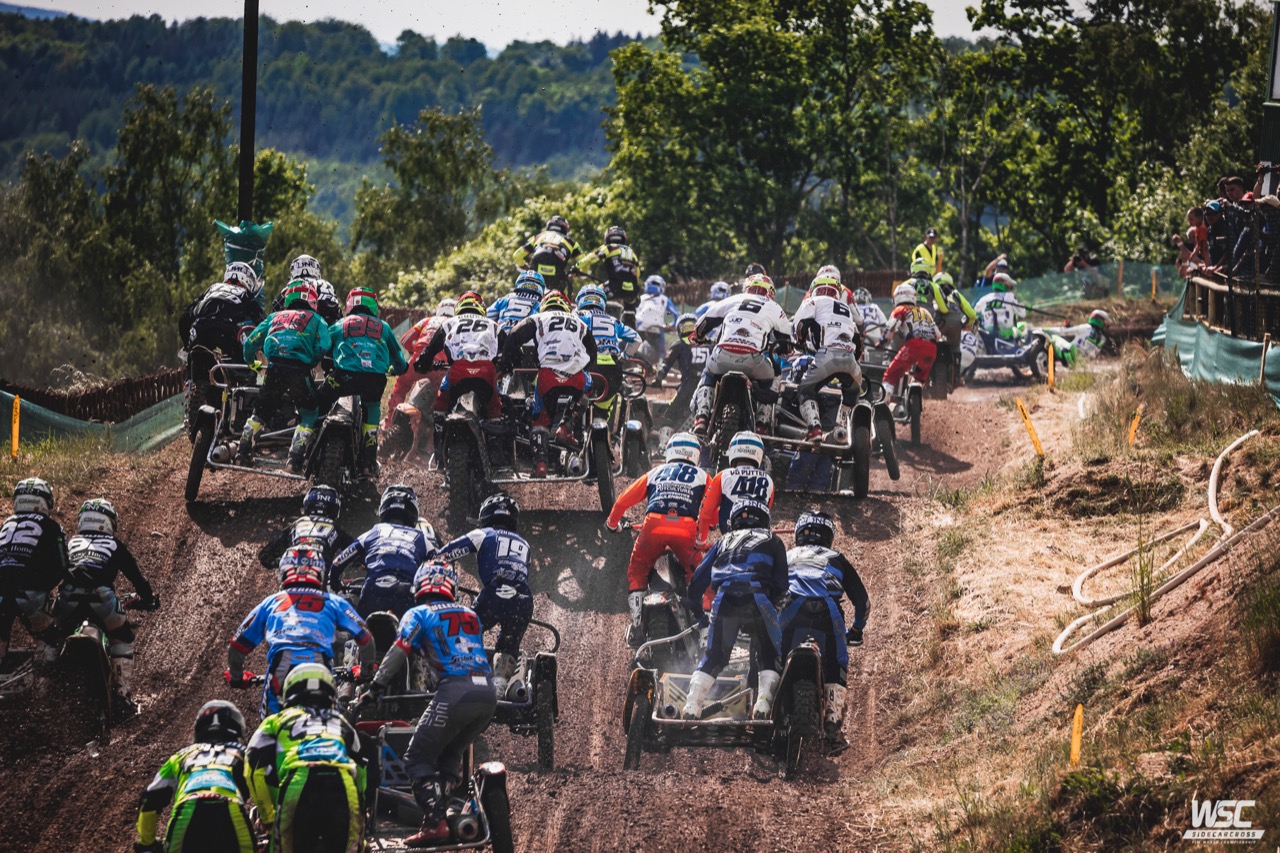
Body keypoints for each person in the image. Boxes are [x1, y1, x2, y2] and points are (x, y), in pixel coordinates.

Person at [357, 569, 495, 847]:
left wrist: (375, 687)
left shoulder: (418, 613)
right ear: (452, 589)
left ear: (419, 587)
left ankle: (434, 822)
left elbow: (399, 650)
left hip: (454, 691)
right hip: (486, 694)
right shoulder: (470, 614)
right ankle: (445, 811)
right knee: (449, 757)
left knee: (416, 758)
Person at [227, 545, 374, 715]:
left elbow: (237, 644)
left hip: (282, 664)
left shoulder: (271, 602)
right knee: (330, 722)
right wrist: (365, 672)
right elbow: (366, 637)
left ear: (284, 571)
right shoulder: (333, 601)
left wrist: (237, 677)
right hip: (319, 665)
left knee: (269, 723)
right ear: (319, 572)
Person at [246, 664, 369, 853]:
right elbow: (361, 770)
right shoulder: (340, 721)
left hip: (298, 782)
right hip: (343, 784)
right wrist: (361, 812)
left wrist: (268, 817)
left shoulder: (275, 720)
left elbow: (253, 769)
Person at [682, 500, 788, 720]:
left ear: (734, 520)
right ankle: (762, 706)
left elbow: (696, 584)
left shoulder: (723, 540)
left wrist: (700, 616)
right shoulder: (773, 539)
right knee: (768, 655)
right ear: (765, 520)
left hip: (725, 598)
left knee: (714, 656)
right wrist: (772, 608)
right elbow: (782, 584)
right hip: (758, 596)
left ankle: (691, 707)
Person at [51, 498, 159, 710]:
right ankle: (121, 695)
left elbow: (56, 570)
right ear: (109, 522)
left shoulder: (71, 543)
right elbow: (136, 577)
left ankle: (49, 689)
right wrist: (147, 597)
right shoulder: (114, 544)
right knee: (123, 638)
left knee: (54, 637)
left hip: (68, 598)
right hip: (102, 598)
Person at [605, 432, 708, 647]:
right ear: (695, 454)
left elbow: (623, 500)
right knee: (699, 574)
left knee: (637, 571)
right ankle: (705, 629)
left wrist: (613, 523)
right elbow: (713, 506)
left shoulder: (656, 472)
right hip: (686, 528)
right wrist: (708, 527)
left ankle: (636, 624)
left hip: (653, 524)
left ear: (670, 451)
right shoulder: (702, 476)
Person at [427, 493, 532, 697]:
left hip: (493, 594)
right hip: (523, 599)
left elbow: (445, 555)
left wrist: (430, 562)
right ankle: (500, 684)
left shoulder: (483, 533)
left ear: (487, 514)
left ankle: (467, 677)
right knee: (509, 642)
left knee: (464, 631)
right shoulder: (525, 544)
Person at [781, 510, 869, 747]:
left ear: (798, 533)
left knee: (771, 656)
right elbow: (863, 602)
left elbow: (770, 589)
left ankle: (764, 707)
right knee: (836, 662)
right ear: (829, 535)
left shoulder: (788, 555)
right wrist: (857, 629)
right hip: (828, 612)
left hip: (792, 609)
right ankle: (832, 728)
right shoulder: (836, 557)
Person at [134, 701, 258, 853]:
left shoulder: (181, 755)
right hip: (231, 809)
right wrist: (269, 822)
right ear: (237, 729)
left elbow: (150, 799)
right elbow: (266, 783)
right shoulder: (244, 754)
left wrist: (147, 843)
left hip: (187, 811)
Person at [499, 290, 598, 477]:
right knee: (588, 385)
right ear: (567, 307)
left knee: (540, 419)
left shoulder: (538, 318)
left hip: (547, 377)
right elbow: (593, 351)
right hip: (577, 377)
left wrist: (508, 363)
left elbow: (513, 335)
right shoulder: (580, 322)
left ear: (544, 305)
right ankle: (567, 426)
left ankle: (540, 465)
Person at [239, 280, 332, 471]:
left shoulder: (274, 317)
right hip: (299, 369)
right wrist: (312, 360)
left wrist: (252, 363)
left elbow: (250, 343)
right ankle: (295, 457)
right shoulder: (317, 319)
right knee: (309, 411)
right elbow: (325, 344)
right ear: (313, 301)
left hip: (274, 368)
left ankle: (243, 449)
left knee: (261, 412)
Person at [690, 273, 793, 439]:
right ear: (770, 292)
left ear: (746, 288)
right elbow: (787, 343)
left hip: (723, 356)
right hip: (753, 361)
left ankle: (701, 417)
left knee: (708, 373)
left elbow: (703, 323)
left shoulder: (732, 299)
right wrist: (782, 350)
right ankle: (762, 424)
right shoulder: (774, 307)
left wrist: (699, 337)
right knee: (773, 376)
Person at [320, 288, 410, 474]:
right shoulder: (384, 327)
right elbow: (400, 361)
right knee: (372, 406)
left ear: (350, 304)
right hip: (374, 380)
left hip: (344, 377)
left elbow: (322, 345)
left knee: (318, 400)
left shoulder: (341, 324)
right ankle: (368, 462)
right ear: (373, 306)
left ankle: (304, 445)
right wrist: (396, 369)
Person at [413, 291, 504, 461]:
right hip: (486, 372)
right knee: (494, 405)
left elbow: (429, 351)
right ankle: (496, 449)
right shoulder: (493, 325)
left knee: (441, 403)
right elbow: (510, 351)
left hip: (457, 372)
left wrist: (422, 365)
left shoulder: (449, 323)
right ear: (482, 308)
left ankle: (439, 452)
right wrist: (506, 365)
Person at [329, 484, 438, 617]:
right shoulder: (421, 537)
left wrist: (335, 585)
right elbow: (440, 565)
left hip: (373, 590)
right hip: (406, 593)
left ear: (384, 508)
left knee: (358, 628)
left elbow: (337, 563)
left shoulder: (374, 532)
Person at [177, 263, 265, 425]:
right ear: (247, 280)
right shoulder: (243, 293)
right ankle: (243, 409)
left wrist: (187, 345)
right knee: (247, 366)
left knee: (194, 365)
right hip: (225, 329)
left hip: (198, 329)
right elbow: (262, 321)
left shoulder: (212, 289)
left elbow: (184, 319)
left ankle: (190, 390)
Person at [0, 478, 68, 668]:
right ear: (45, 501)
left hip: (1, 592)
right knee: (52, 639)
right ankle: (48, 674)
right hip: (30, 595)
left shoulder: (5, 525)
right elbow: (63, 565)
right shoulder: (51, 526)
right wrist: (47, 588)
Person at [792, 275, 863, 443]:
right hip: (851, 361)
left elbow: (800, 324)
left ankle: (814, 428)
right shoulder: (845, 308)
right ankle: (841, 428)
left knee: (805, 390)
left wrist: (799, 341)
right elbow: (858, 342)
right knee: (851, 395)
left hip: (826, 355)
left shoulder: (813, 301)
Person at [383, 298, 457, 430]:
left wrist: (413, 352)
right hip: (441, 367)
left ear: (439, 309)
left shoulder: (426, 321)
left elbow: (405, 340)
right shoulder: (456, 324)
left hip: (417, 361)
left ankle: (389, 423)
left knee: (400, 387)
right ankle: (440, 427)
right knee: (445, 397)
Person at [695, 431, 774, 548]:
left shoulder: (723, 476)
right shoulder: (769, 480)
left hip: (730, 537)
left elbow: (705, 512)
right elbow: (767, 511)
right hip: (758, 540)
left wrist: (700, 542)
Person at [576, 284, 640, 419]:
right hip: (612, 371)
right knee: (602, 413)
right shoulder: (613, 320)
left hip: (586, 368)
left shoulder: (577, 316)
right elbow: (636, 339)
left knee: (573, 405)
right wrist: (624, 357)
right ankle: (601, 424)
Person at [257, 485, 355, 573]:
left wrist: (281, 563)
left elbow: (265, 556)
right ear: (335, 509)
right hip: (321, 573)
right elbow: (356, 550)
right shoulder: (336, 528)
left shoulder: (296, 524)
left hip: (293, 572)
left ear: (308, 505)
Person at [881, 283, 939, 406]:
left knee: (890, 375)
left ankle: (883, 404)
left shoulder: (900, 309)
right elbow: (938, 335)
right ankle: (912, 397)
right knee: (918, 378)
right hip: (932, 348)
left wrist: (881, 342)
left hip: (914, 345)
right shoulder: (925, 311)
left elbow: (890, 329)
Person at [655, 314, 709, 430]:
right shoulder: (709, 343)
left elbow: (665, 365)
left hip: (688, 385)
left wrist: (659, 378)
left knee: (669, 416)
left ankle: (664, 440)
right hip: (707, 384)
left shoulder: (680, 344)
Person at [576, 225, 642, 312]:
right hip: (633, 291)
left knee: (593, 294)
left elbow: (592, 257)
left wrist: (576, 266)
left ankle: (585, 315)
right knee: (632, 307)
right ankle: (630, 315)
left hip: (614, 287)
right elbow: (638, 274)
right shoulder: (632, 253)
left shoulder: (609, 247)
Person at [513, 215, 584, 292]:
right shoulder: (571, 242)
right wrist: (580, 272)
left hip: (536, 269)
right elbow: (584, 261)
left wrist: (525, 267)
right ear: (565, 229)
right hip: (557, 274)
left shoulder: (537, 237)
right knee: (566, 293)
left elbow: (517, 256)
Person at [268, 254, 342, 324]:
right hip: (325, 327)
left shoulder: (290, 286)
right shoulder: (326, 284)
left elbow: (275, 310)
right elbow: (338, 312)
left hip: (294, 326)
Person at [972, 272, 1026, 343]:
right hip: (1005, 333)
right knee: (1023, 327)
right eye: (1010, 286)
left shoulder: (984, 298)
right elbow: (1023, 314)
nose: (1010, 288)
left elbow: (976, 311)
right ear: (1005, 284)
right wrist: (1022, 307)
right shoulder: (1010, 296)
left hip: (987, 333)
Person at [635, 275, 679, 361]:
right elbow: (677, 315)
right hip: (656, 329)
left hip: (639, 327)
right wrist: (672, 326)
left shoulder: (641, 298)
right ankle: (661, 364)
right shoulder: (664, 299)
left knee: (634, 349)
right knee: (662, 353)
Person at [1043, 309, 1109, 366]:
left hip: (1070, 356)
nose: (1105, 325)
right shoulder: (1103, 339)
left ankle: (1045, 355)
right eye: (1105, 322)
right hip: (1082, 363)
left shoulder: (1086, 327)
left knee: (1053, 337)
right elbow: (1095, 353)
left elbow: (1063, 332)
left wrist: (1045, 330)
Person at [488, 270, 546, 335]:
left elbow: (486, 317)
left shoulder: (504, 299)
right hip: (526, 339)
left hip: (502, 337)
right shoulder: (541, 303)